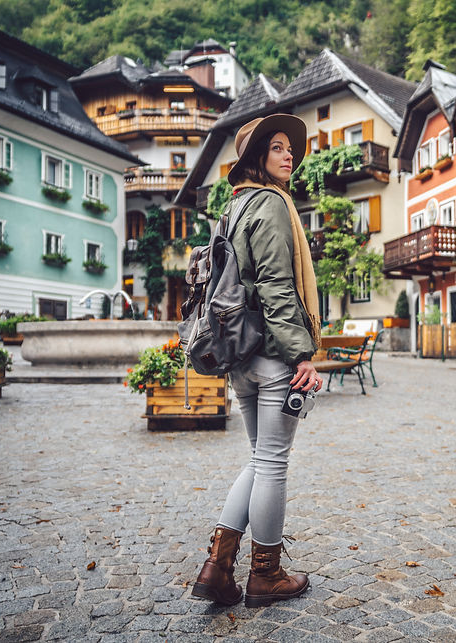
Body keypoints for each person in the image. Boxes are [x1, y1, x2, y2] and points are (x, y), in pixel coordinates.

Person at [191, 114, 322, 608]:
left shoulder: (234, 208)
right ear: (257, 159)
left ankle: (218, 567)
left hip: (240, 356)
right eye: (278, 148)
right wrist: (302, 354)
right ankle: (265, 575)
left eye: (291, 149)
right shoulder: (269, 204)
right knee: (272, 463)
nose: (290, 156)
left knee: (258, 459)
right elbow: (274, 284)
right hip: (270, 354)